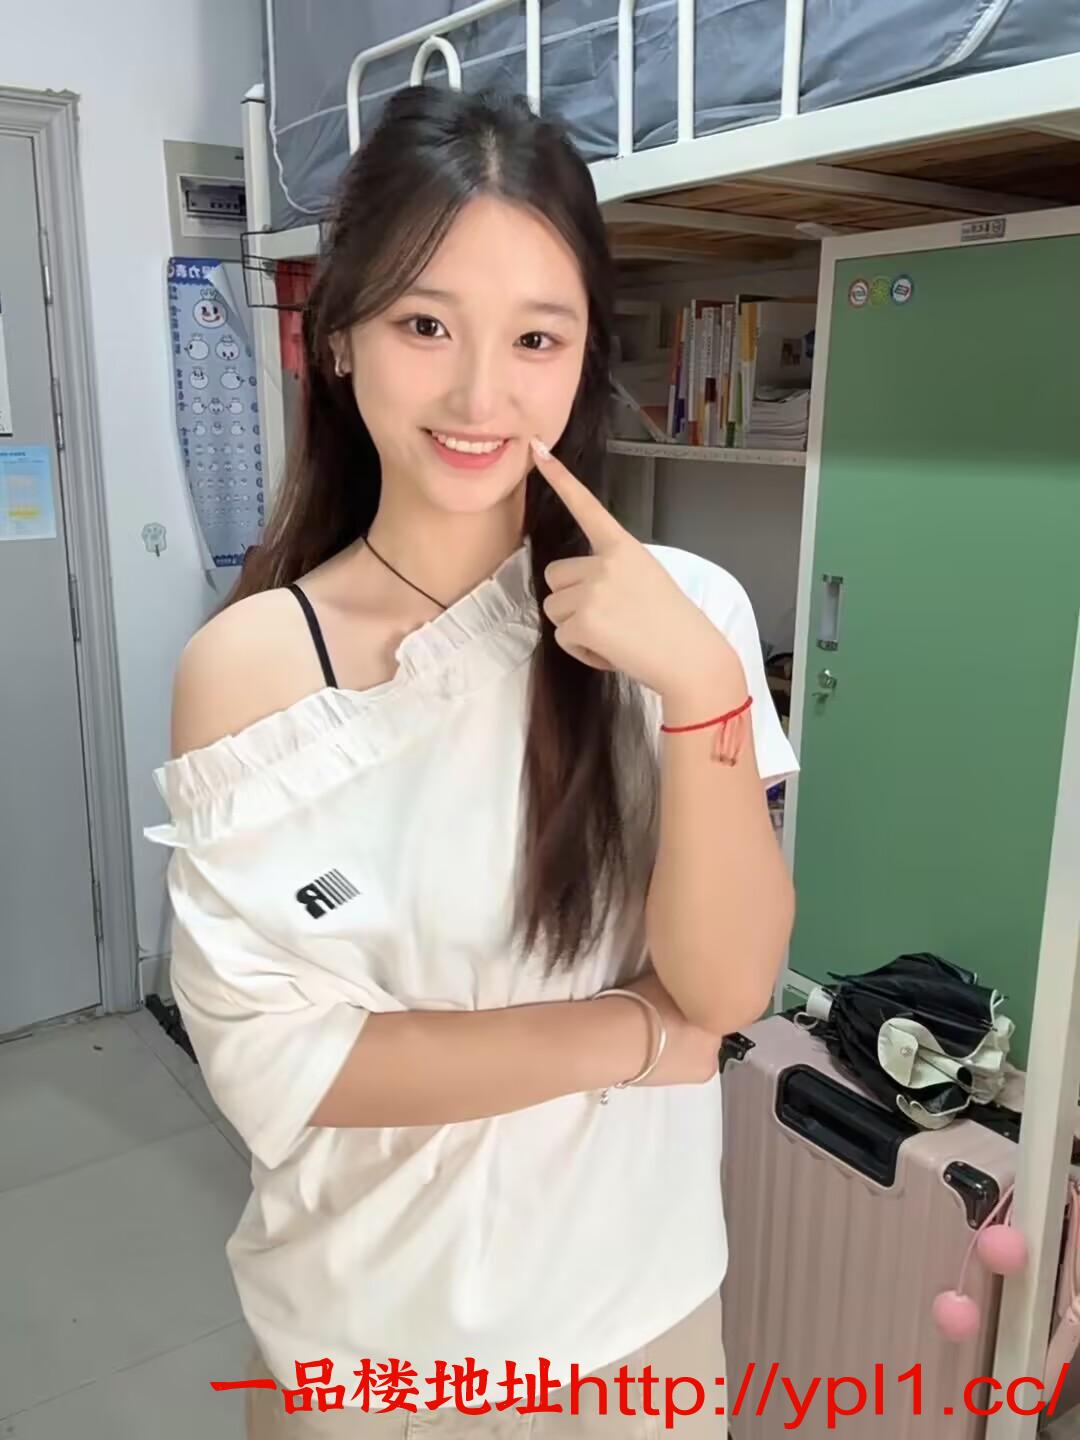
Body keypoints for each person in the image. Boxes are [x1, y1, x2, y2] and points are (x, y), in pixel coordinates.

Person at [150, 84, 798, 1437]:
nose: (481, 394)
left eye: (537, 337)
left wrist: (698, 690)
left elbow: (729, 988)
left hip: (642, 1324)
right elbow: (284, 1066)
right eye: (425, 324)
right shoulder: (252, 665)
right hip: (373, 1351)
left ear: (584, 355)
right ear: (338, 337)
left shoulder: (691, 613)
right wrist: (633, 1035)